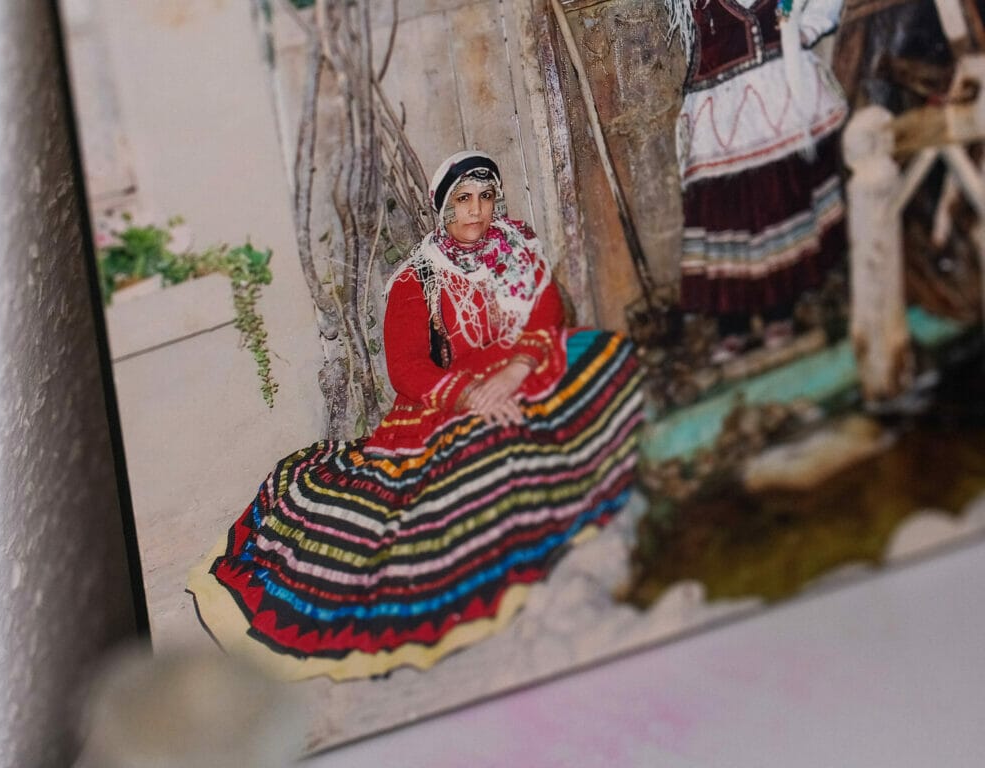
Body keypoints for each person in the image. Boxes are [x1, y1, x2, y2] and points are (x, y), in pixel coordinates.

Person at [188, 151, 645, 680]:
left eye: (485, 197)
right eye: (462, 200)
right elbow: (406, 369)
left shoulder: (518, 249)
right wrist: (473, 394)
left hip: (521, 369)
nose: (476, 211)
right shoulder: (418, 277)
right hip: (451, 396)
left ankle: (609, 501)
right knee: (490, 451)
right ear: (442, 209)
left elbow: (547, 312)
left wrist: (516, 371)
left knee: (608, 357)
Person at [674, 0, 848, 362]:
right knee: (725, 217)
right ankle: (732, 324)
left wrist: (809, 27)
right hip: (721, 118)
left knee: (779, 205)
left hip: (777, 101)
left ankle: (779, 313)